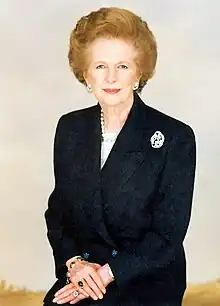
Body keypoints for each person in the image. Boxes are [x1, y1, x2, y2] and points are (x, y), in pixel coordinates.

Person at [43, 6, 196, 306]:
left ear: (140, 71)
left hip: (144, 278)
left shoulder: (175, 137)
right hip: (85, 274)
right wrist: (75, 265)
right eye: (100, 66)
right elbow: (58, 214)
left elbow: (166, 236)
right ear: (85, 74)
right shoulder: (70, 128)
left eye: (123, 66)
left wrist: (105, 275)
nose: (111, 77)